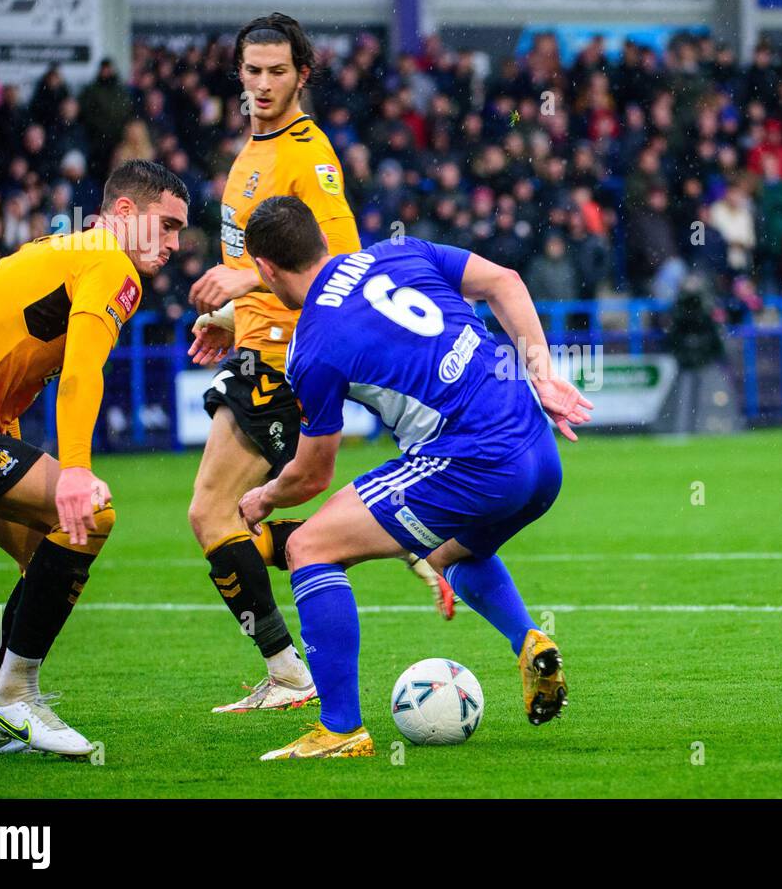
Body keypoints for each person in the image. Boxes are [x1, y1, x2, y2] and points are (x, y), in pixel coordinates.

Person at [235, 196, 593, 760]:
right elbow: (506, 280)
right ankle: (529, 639)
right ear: (322, 240)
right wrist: (543, 374)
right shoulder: (398, 251)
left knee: (309, 547)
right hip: (538, 449)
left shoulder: (312, 346)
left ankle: (340, 729)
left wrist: (263, 497)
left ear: (265, 269)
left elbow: (312, 474)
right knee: (450, 555)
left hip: (471, 458)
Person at [0, 160, 188, 755]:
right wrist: (75, 469)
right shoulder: (110, 263)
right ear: (125, 214)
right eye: (167, 226)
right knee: (89, 515)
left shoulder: (66, 249)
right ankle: (14, 698)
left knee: (43, 552)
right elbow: (83, 369)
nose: (176, 245)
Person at [183, 13, 366, 713]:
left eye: (277, 72)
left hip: (289, 364)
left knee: (210, 512)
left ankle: (292, 669)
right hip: (256, 349)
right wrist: (230, 316)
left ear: (303, 76)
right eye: (252, 71)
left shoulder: (305, 155)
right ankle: (338, 549)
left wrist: (243, 285)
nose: (263, 84)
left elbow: (340, 266)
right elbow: (269, 271)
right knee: (220, 517)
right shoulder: (249, 154)